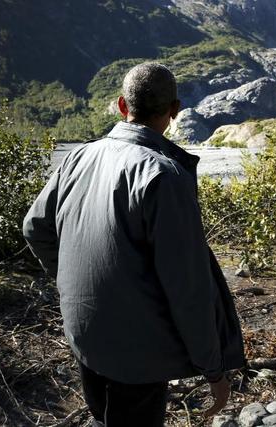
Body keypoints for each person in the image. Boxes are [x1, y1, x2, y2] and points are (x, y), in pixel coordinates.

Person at [22, 62, 245, 427]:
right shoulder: (162, 174)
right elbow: (187, 288)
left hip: (86, 331)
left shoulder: (78, 156)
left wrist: (70, 282)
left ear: (122, 106)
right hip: (138, 351)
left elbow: (35, 228)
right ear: (174, 111)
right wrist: (214, 369)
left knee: (103, 417)